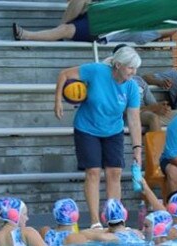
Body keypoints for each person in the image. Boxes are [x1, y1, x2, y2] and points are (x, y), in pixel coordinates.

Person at [54, 45, 143, 229]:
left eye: (135, 68)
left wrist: (137, 149)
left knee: (115, 173)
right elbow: (64, 74)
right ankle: (95, 221)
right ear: (118, 65)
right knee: (93, 172)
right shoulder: (96, 71)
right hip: (87, 128)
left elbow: (134, 120)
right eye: (130, 67)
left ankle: (114, 218)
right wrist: (58, 102)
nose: (133, 72)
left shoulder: (132, 87)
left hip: (114, 131)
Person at [12, 0, 175, 43]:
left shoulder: (141, 31)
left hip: (100, 29)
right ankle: (59, 30)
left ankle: (26, 36)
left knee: (66, 30)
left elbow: (172, 29)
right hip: (95, 12)